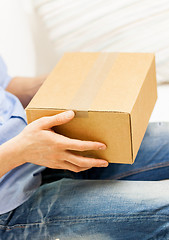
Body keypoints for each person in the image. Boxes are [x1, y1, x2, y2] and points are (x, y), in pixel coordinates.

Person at [0, 55, 169, 240]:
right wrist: (20, 151)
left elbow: (6, 86)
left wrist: (65, 82)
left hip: (47, 150)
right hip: (12, 207)